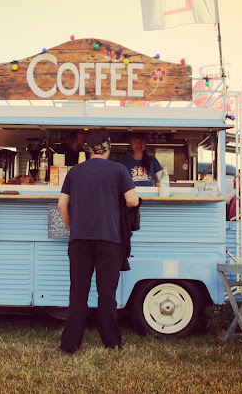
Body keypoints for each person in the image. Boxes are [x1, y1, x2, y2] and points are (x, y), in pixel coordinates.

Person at [58, 129, 139, 354]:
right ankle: (111, 342)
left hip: (80, 241)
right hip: (110, 241)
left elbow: (61, 205)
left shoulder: (75, 172)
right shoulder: (118, 170)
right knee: (106, 293)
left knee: (78, 293)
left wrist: (73, 229)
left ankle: (70, 345)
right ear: (108, 146)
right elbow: (132, 201)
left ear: (88, 148)